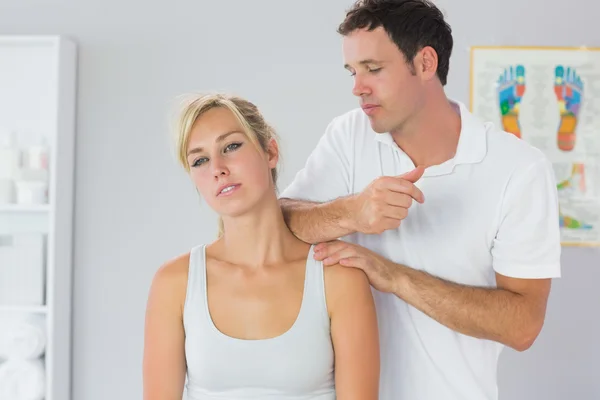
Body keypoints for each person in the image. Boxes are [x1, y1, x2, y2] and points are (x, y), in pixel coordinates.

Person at [279, 1, 562, 399]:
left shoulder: (519, 170)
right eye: (353, 71)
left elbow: (523, 325)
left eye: (373, 69)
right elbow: (281, 222)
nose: (357, 86)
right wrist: (353, 211)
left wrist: (392, 275)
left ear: (426, 63)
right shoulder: (348, 135)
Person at [142, 93, 380, 400]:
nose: (217, 168)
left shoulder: (338, 279)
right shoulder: (175, 283)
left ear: (270, 151)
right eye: (200, 160)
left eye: (231, 146)